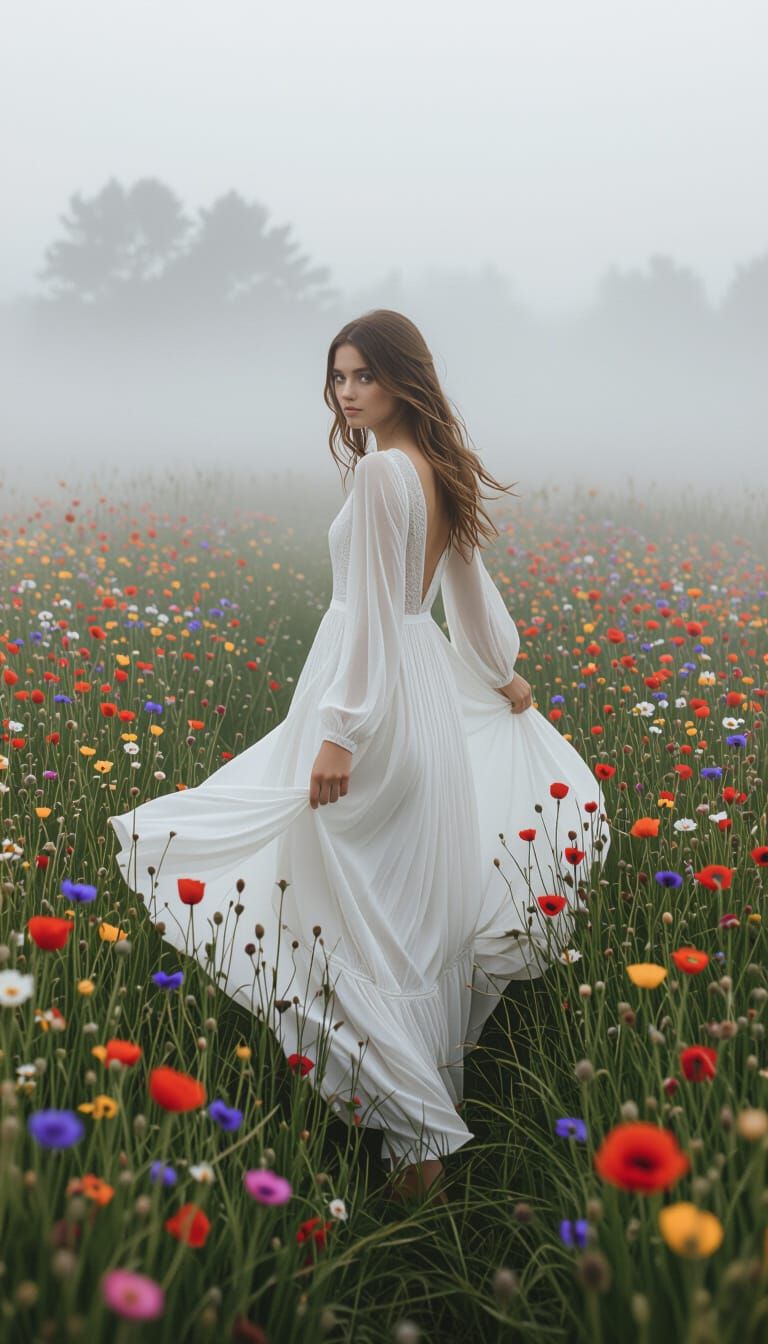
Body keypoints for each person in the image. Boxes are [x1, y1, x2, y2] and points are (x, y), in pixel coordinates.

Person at [108, 309, 609, 1206]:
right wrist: (502, 675)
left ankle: (414, 1150)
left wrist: (343, 730)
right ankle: (413, 1148)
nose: (345, 394)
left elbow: (379, 612)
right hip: (422, 705)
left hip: (372, 700)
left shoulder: (384, 472)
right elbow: (467, 602)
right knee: (391, 921)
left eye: (361, 377)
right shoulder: (439, 470)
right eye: (337, 378)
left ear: (402, 379)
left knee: (342, 911)